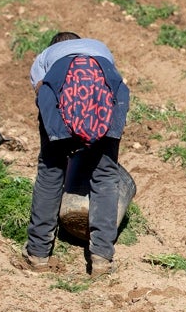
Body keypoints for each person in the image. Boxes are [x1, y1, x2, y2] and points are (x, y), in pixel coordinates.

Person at [22, 31, 130, 276]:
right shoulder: (100, 48)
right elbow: (106, 86)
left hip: (60, 97)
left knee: (51, 171)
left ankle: (38, 253)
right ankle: (102, 258)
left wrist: (60, 136)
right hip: (109, 98)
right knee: (104, 175)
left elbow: (41, 92)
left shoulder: (45, 57)